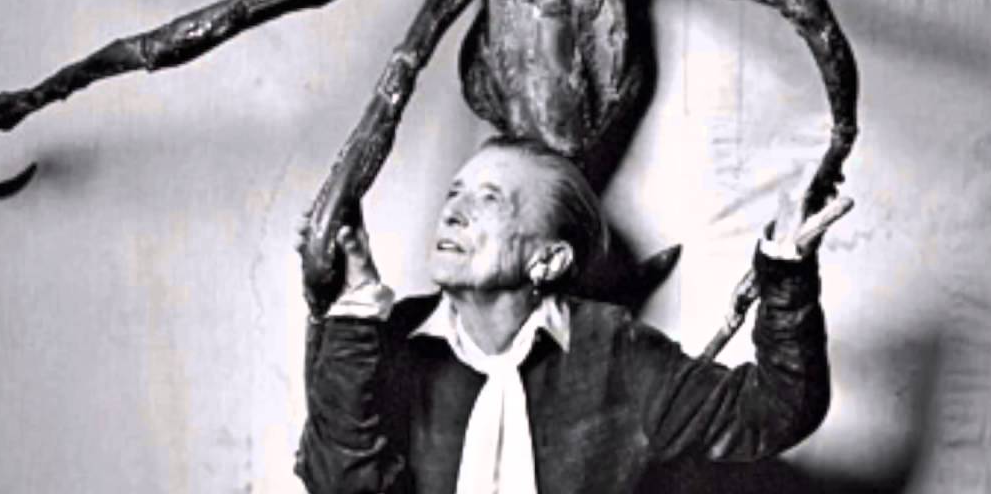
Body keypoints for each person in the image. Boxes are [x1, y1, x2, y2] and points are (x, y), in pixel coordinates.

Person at [293, 136, 846, 494]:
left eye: (489, 199)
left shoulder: (614, 349)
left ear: (549, 260)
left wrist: (785, 273)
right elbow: (338, 484)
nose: (454, 212)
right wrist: (353, 313)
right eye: (454, 193)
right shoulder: (388, 341)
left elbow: (777, 410)